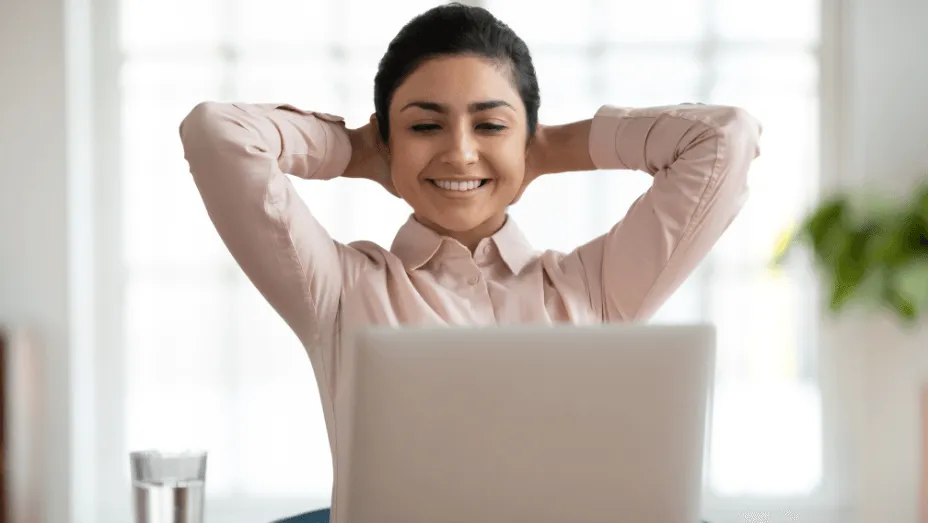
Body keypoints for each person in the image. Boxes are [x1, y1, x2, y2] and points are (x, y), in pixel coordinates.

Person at [178, 3, 761, 521]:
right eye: (425, 125)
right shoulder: (339, 290)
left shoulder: (593, 289)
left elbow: (724, 140)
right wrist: (358, 150)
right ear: (389, 139)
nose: (459, 151)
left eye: (490, 124)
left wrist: (552, 147)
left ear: (527, 138)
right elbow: (218, 133)